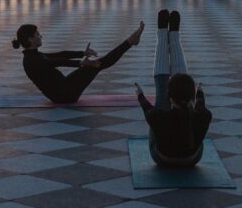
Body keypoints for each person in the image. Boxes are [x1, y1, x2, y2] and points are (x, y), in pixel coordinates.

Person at [134, 10, 212, 166]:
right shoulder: (204, 116)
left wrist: (140, 96)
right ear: (192, 96)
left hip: (162, 157)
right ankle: (172, 35)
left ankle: (164, 33)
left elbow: (147, 108)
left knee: (161, 95)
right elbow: (200, 106)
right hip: (192, 159)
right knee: (165, 90)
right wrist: (200, 95)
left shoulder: (159, 117)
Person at [13, 20, 143, 104]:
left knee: (98, 64)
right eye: (37, 35)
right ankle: (130, 42)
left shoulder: (34, 55)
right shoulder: (32, 60)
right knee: (99, 64)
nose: (41, 36)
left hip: (64, 88)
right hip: (64, 96)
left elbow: (60, 55)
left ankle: (130, 42)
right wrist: (81, 63)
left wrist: (82, 54)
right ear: (30, 39)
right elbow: (59, 62)